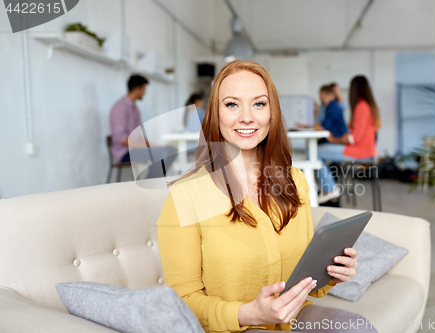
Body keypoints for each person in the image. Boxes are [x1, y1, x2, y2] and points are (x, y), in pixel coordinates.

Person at [156, 61, 377, 333]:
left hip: (290, 319)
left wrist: (332, 273)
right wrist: (249, 314)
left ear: (272, 112)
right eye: (232, 104)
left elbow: (304, 277)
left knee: (356, 327)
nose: (247, 117)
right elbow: (183, 301)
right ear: (215, 114)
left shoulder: (295, 181)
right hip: (232, 327)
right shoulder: (186, 195)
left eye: (259, 104)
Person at [316, 75, 381, 202]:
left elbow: (353, 138)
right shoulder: (368, 105)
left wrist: (334, 139)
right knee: (318, 151)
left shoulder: (361, 106)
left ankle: (330, 188)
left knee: (316, 152)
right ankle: (329, 188)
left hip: (360, 151)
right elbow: (356, 134)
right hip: (364, 149)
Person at [109, 74, 176, 179]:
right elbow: (121, 139)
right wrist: (147, 147)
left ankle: (157, 181)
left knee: (171, 150)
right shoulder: (119, 108)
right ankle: (150, 185)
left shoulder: (135, 109)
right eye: (144, 89)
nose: (145, 93)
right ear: (136, 90)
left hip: (136, 149)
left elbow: (138, 136)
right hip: (125, 153)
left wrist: (152, 145)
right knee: (160, 153)